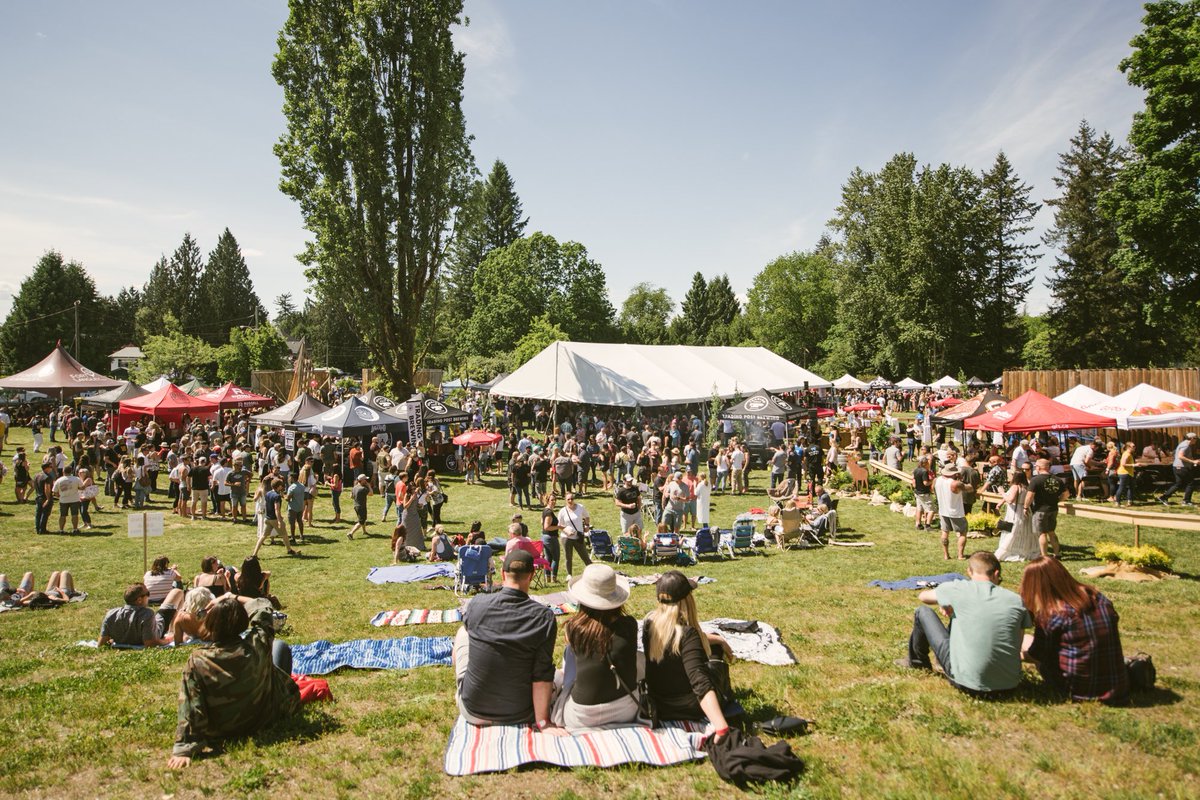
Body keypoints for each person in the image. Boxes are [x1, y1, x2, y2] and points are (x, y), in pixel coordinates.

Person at [168, 593, 301, 768]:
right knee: (279, 647)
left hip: (221, 729)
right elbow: (263, 607)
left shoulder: (198, 660)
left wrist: (185, 747)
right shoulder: (257, 644)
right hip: (264, 718)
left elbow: (192, 704)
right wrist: (232, 597)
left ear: (210, 624)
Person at [453, 550, 563, 731]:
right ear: (531, 575)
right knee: (559, 677)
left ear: (503, 574)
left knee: (462, 633)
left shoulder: (477, 604)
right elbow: (542, 673)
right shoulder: (543, 617)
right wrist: (543, 721)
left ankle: (466, 688)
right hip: (521, 712)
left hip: (473, 710)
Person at [896, 551, 1032, 698]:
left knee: (923, 612)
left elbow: (923, 596)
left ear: (969, 571)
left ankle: (918, 662)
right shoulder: (1016, 600)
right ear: (996, 573)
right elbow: (1016, 644)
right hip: (1009, 685)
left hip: (967, 682)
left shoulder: (958, 589)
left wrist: (946, 600)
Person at [1017, 556, 1129, 705]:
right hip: (1116, 686)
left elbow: (1038, 654)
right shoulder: (1098, 597)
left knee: (1025, 641)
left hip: (1078, 689)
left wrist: (1015, 656)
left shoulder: (1052, 614)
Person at [641, 571, 733, 736]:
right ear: (686, 600)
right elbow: (700, 683)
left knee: (714, 646)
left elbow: (684, 640)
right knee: (715, 658)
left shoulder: (649, 626)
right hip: (689, 707)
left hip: (660, 704)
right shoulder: (688, 634)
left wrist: (718, 639)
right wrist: (721, 727)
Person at [561, 564, 638, 731]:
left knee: (569, 653)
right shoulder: (629, 625)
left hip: (582, 716)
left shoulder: (573, 628)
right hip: (626, 710)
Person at [98, 583, 180, 647]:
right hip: (159, 626)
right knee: (177, 592)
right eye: (147, 593)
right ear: (139, 600)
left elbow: (101, 643)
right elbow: (150, 643)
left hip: (149, 625)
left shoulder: (111, 614)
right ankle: (175, 630)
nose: (149, 596)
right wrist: (169, 640)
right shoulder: (147, 614)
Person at [995, 468, 1039, 562]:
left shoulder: (1015, 487)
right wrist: (1001, 502)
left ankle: (1005, 552)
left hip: (1015, 511)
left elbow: (1010, 499)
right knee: (1024, 531)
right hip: (1025, 510)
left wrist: (1001, 492)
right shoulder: (1026, 486)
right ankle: (1025, 549)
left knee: (1012, 531)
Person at [1027, 459, 1068, 559]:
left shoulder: (1035, 480)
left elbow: (1030, 496)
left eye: (1036, 466)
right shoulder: (1058, 479)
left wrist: (1025, 507)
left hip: (1040, 509)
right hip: (1053, 508)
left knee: (1042, 533)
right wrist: (1058, 500)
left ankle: (1044, 556)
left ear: (1039, 467)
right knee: (1052, 532)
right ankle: (1057, 554)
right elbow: (1066, 494)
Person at [934, 464, 967, 560]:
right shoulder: (954, 483)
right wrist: (961, 479)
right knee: (962, 533)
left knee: (944, 532)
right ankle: (960, 555)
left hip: (943, 510)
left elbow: (933, 489)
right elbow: (969, 488)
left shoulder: (937, 480)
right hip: (956, 512)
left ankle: (946, 555)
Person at [557, 492, 592, 578]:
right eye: (568, 499)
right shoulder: (562, 511)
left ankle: (592, 571)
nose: (570, 501)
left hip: (578, 536)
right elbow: (559, 525)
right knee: (568, 557)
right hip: (566, 537)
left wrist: (587, 525)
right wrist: (566, 531)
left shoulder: (580, 507)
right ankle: (569, 574)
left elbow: (587, 516)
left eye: (572, 499)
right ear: (565, 500)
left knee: (585, 556)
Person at [1158, 432, 1198, 507]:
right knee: (1191, 483)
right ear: (1192, 439)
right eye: (1196, 439)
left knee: (1178, 484)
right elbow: (1180, 456)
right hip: (1181, 467)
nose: (1196, 440)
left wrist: (1194, 460)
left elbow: (1178, 454)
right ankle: (1186, 501)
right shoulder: (1185, 445)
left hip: (1176, 466)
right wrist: (1192, 461)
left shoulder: (1183, 444)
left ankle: (1163, 497)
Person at [52, 464, 84, 534]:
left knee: (62, 515)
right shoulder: (76, 479)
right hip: (74, 499)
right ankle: (75, 529)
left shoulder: (59, 480)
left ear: (63, 471)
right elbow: (82, 487)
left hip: (63, 500)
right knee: (75, 515)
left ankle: (61, 530)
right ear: (71, 471)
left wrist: (59, 496)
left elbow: (55, 492)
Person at [541, 497, 562, 584]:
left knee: (548, 558)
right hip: (550, 537)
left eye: (555, 500)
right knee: (556, 558)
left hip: (544, 537)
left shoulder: (545, 510)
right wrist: (559, 527)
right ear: (547, 501)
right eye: (552, 500)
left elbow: (541, 522)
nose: (554, 501)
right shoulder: (549, 512)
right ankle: (554, 578)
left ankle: (548, 578)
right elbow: (546, 527)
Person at [912, 456, 934, 531]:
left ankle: (918, 524)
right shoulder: (924, 471)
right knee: (931, 509)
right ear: (925, 463)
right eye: (928, 463)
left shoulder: (916, 470)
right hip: (924, 493)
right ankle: (928, 525)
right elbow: (925, 483)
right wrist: (933, 481)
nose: (929, 464)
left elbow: (914, 482)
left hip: (917, 492)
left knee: (919, 508)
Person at [347, 473, 371, 539]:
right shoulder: (363, 488)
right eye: (365, 479)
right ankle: (351, 533)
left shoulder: (355, 487)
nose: (366, 481)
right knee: (361, 521)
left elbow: (351, 496)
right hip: (361, 507)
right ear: (362, 480)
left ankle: (364, 531)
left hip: (356, 506)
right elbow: (371, 493)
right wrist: (369, 486)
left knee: (363, 519)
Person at [285, 475, 306, 544]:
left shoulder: (292, 487)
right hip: (300, 506)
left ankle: (293, 537)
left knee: (292, 523)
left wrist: (282, 496)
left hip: (293, 507)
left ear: (293, 479)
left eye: (290, 478)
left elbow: (288, 499)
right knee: (300, 521)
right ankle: (302, 535)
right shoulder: (302, 486)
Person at [1115, 441, 1136, 506]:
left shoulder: (1129, 454)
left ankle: (1130, 501)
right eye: (1133, 446)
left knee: (1131, 487)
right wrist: (1134, 465)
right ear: (1128, 447)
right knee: (1122, 487)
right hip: (1124, 473)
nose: (1135, 447)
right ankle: (1117, 502)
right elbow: (1123, 464)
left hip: (1129, 473)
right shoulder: (1127, 454)